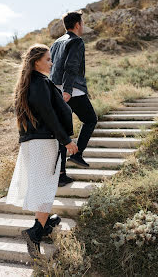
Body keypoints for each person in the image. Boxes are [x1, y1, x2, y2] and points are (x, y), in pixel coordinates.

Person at [6, 44, 78, 258]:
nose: (51, 63)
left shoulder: (28, 84)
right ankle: (35, 232)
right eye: (48, 59)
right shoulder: (39, 82)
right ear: (37, 61)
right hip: (43, 141)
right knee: (46, 188)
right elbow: (48, 114)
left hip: (33, 141)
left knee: (42, 187)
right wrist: (66, 140)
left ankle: (45, 225)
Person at [50, 11, 97, 186]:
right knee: (90, 119)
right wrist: (68, 89)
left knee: (62, 131)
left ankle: (61, 175)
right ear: (77, 24)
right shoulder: (76, 41)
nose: (83, 26)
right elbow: (72, 66)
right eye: (82, 23)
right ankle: (77, 154)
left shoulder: (56, 42)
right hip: (72, 89)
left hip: (55, 88)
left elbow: (51, 66)